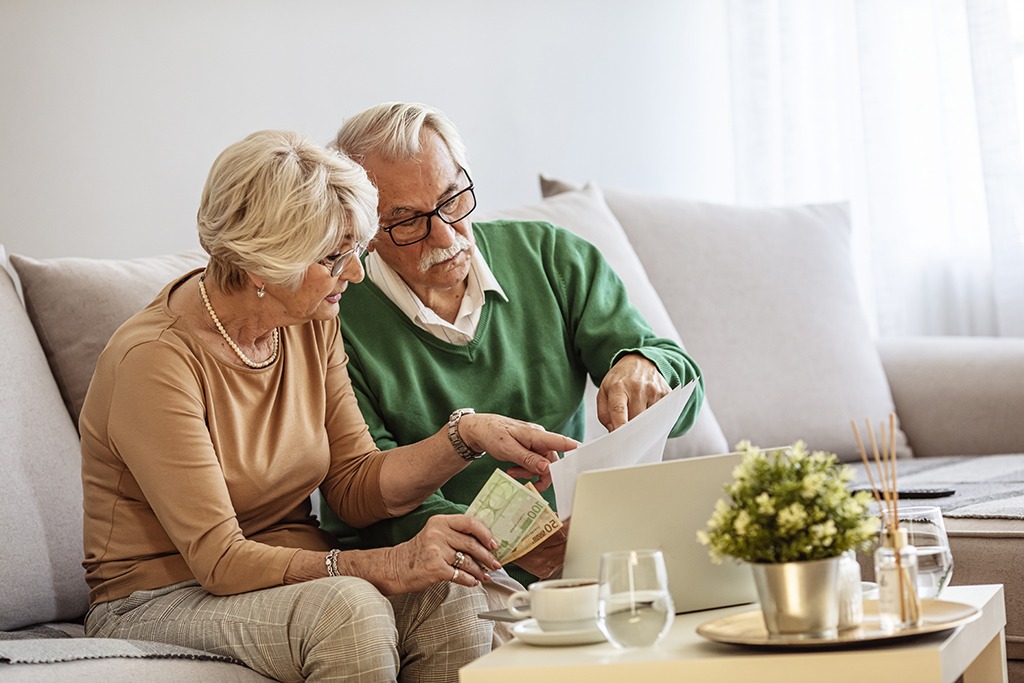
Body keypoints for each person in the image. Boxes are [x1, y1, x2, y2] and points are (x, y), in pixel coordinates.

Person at [79, 130, 577, 683]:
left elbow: (355, 484)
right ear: (266, 264)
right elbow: (219, 561)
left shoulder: (310, 321)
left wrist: (466, 436)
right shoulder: (154, 361)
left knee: (449, 592)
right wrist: (385, 564)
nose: (357, 274)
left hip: (291, 574)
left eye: (354, 253)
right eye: (335, 258)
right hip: (161, 594)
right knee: (348, 608)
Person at [319, 102, 706, 627]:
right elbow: (365, 499)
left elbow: (682, 391)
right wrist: (510, 541)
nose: (446, 236)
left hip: (575, 555)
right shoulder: (334, 318)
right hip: (442, 570)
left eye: (452, 199)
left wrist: (645, 365)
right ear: (362, 229)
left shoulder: (552, 257)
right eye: (407, 221)